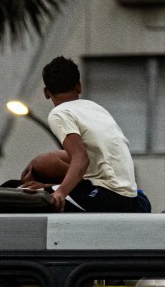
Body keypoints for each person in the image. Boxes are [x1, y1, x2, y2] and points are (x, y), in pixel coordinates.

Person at [25, 56, 147, 213]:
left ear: (46, 92)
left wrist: (60, 193)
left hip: (109, 196)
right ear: (79, 87)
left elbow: (81, 159)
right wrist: (51, 187)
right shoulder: (94, 107)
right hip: (127, 194)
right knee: (39, 188)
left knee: (19, 191)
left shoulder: (59, 113)